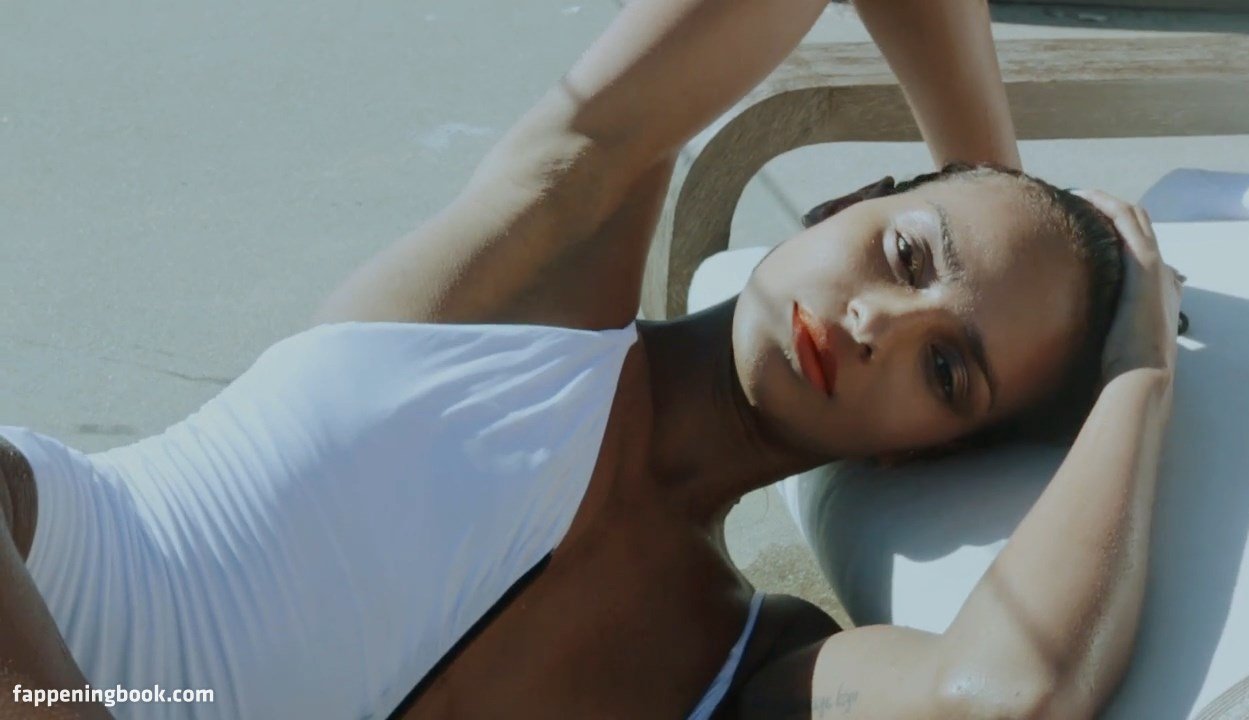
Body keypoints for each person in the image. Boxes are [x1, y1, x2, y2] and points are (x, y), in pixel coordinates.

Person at [0, 1, 1183, 718]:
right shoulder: (544, 260)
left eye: (945, 374)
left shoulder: (748, 667)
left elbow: (1002, 695)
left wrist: (1136, 372)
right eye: (904, 253)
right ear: (841, 203)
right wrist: (995, 187)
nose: (878, 323)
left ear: (920, 457)